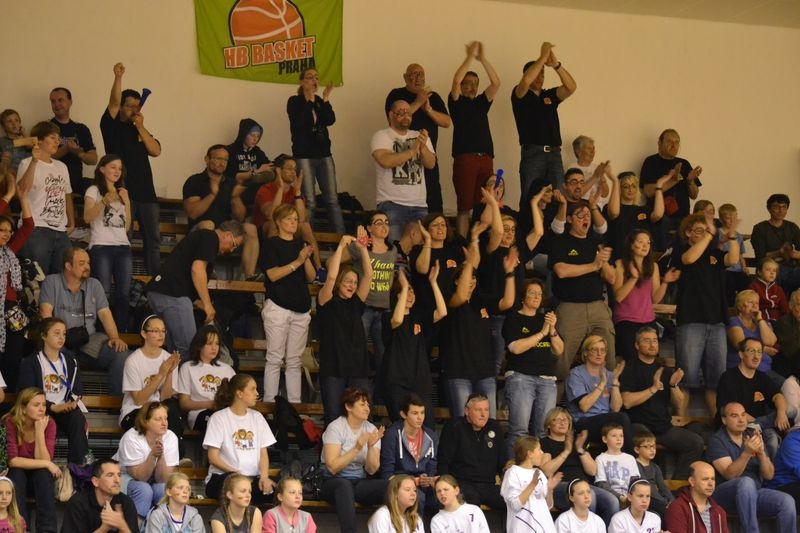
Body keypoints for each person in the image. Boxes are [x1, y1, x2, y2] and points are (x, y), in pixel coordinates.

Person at [146, 220, 245, 360]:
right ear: (227, 235)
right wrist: (207, 304)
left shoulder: (202, 237)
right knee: (189, 349)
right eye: (234, 245)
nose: (232, 250)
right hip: (173, 294)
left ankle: (174, 374)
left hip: (160, 292)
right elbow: (197, 269)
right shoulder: (211, 238)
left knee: (175, 352)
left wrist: (198, 302)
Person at [39, 247, 130, 396]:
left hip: (89, 340)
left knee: (120, 353)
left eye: (88, 263)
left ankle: (117, 402)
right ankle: (73, 403)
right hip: (62, 341)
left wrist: (115, 338)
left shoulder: (95, 284)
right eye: (81, 263)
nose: (87, 267)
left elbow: (105, 314)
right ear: (68, 266)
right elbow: (46, 313)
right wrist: (55, 339)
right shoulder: (52, 281)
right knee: (63, 356)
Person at [675, 212, 740, 417]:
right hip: (691, 321)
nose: (705, 234)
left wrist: (732, 236)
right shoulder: (682, 250)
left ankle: (717, 424)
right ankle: (679, 421)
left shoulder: (714, 253)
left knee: (716, 381)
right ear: (688, 233)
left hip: (716, 322)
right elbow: (689, 258)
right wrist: (709, 235)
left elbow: (732, 259)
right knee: (685, 379)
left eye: (706, 231)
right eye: (699, 231)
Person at [100, 62, 161, 275]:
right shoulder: (111, 125)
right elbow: (114, 102)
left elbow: (156, 150)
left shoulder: (140, 130)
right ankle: (123, 280)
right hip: (123, 192)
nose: (134, 110)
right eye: (130, 106)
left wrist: (141, 126)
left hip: (148, 195)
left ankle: (155, 280)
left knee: (153, 240)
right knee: (124, 238)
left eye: (137, 106)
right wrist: (118, 77)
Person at [619, 327, 704, 478]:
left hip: (663, 428)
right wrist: (652, 389)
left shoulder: (664, 370)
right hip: (638, 426)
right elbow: (626, 402)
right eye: (647, 341)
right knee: (645, 441)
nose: (652, 344)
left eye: (655, 341)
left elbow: (678, 404)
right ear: (637, 345)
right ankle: (643, 484)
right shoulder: (629, 368)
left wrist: (673, 385)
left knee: (695, 443)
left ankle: (676, 486)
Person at [707, 401, 797, 533]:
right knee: (746, 482)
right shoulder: (717, 440)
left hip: (754, 493)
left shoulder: (752, 434)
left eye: (743, 415)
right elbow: (729, 474)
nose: (741, 419)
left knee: (786, 501)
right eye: (734, 416)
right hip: (724, 495)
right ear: (724, 420)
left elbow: (769, 475)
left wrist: (761, 454)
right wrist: (747, 453)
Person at [549, 202, 616, 378]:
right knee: (562, 356)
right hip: (570, 308)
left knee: (608, 350)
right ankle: (558, 392)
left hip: (597, 306)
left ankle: (608, 389)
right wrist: (593, 265)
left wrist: (603, 262)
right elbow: (561, 271)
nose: (586, 218)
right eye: (580, 215)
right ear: (569, 219)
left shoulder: (596, 243)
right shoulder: (560, 241)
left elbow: (612, 278)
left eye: (588, 215)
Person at [18, 317, 90, 469]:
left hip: (64, 409)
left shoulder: (71, 361)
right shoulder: (31, 362)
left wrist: (73, 402)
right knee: (44, 420)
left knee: (77, 418)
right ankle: (44, 467)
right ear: (44, 336)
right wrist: (51, 406)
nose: (61, 337)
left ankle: (78, 468)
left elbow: (77, 389)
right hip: (41, 410)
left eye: (64, 334)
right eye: (56, 333)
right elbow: (27, 393)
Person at [260, 203, 314, 404]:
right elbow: (273, 275)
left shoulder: (301, 244)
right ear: (278, 222)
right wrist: (298, 261)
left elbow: (311, 277)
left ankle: (294, 404)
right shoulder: (271, 244)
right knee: (275, 358)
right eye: (289, 219)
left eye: (295, 219)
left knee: (294, 360)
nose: (293, 222)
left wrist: (306, 258)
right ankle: (270, 403)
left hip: (301, 306)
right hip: (278, 305)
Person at [317, 236, 373, 425]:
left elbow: (369, 275)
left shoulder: (356, 302)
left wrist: (363, 248)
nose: (352, 285)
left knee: (363, 414)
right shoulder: (326, 300)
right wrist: (341, 246)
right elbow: (331, 276)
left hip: (358, 366)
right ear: (339, 282)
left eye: (354, 282)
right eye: (348, 281)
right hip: (333, 367)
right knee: (334, 415)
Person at [182, 144, 260, 279]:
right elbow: (193, 213)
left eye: (225, 160)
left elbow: (240, 217)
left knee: (250, 228)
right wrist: (212, 195)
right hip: (200, 230)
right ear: (207, 159)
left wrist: (235, 197)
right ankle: (206, 271)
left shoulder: (231, 183)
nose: (222, 163)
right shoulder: (194, 181)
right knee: (208, 224)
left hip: (226, 231)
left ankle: (250, 276)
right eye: (218, 158)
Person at [503, 278, 564, 447]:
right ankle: (514, 464)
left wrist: (552, 330)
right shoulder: (513, 318)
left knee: (544, 431)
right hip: (521, 377)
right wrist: (542, 333)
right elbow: (515, 348)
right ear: (523, 297)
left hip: (547, 379)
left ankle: (541, 464)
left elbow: (559, 349)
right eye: (532, 293)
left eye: (539, 294)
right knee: (519, 430)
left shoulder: (545, 319)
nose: (537, 297)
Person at [448, 41, 500, 238]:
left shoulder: (481, 103)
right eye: (468, 84)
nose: (471, 87)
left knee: (485, 202)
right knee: (464, 206)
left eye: (475, 85)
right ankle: (462, 244)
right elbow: (455, 81)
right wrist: (470, 57)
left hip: (486, 158)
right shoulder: (456, 101)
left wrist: (482, 59)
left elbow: (496, 83)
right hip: (465, 158)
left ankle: (478, 243)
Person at [512, 41, 576, 197]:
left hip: (555, 154)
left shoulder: (549, 95)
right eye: (537, 73)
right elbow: (526, 81)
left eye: (542, 74)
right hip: (533, 154)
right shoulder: (520, 94)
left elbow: (571, 87)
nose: (540, 77)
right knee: (531, 197)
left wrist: (556, 65)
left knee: (558, 197)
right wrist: (542, 57)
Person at [319, 387, 388, 533]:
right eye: (362, 404)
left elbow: (371, 470)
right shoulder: (335, 427)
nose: (367, 408)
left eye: (368, 404)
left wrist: (371, 446)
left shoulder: (371, 429)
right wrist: (357, 447)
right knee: (344, 486)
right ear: (348, 407)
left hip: (358, 482)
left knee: (392, 486)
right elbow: (332, 467)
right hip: (331, 482)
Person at [382, 267, 445, 426]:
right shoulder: (388, 317)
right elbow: (397, 320)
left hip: (420, 382)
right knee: (401, 427)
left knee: (428, 427)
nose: (410, 295)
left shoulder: (419, 317)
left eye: (412, 292)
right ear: (397, 296)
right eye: (405, 292)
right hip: (397, 382)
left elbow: (442, 312)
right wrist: (404, 287)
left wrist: (433, 282)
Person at [385, 64, 451, 213]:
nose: (418, 78)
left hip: (428, 157)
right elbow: (394, 121)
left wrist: (429, 110)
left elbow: (447, 122)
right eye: (413, 75)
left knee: (433, 200)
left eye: (421, 74)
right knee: (405, 203)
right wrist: (419, 101)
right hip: (402, 158)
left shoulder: (433, 97)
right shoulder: (396, 95)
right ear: (405, 78)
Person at [287, 67, 345, 234]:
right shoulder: (294, 101)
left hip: (324, 154)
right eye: (310, 77)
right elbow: (301, 120)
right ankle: (306, 238)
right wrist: (308, 99)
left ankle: (340, 239)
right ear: (302, 81)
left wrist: (325, 98)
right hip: (304, 156)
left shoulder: (319, 101)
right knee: (310, 201)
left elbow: (330, 120)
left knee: (332, 199)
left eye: (316, 77)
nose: (314, 80)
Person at [203, 374, 277, 504]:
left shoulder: (257, 417)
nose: (257, 393)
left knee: (278, 491)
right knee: (239, 487)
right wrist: (237, 474)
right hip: (224, 477)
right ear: (240, 393)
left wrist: (264, 477)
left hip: (252, 478)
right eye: (252, 389)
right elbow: (213, 457)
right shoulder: (218, 418)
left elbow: (263, 453)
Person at [371, 99, 436, 243]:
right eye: (401, 113)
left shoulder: (419, 136)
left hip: (419, 205)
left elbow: (431, 164)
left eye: (408, 113)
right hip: (392, 204)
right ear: (391, 115)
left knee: (419, 250)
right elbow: (386, 161)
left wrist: (422, 147)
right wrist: (412, 151)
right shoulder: (381, 136)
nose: (406, 116)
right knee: (394, 249)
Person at [540, 407, 619, 524]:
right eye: (557, 420)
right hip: (560, 486)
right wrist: (566, 451)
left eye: (566, 419)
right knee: (589, 496)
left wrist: (580, 449)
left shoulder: (577, 442)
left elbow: (593, 471)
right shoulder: (544, 442)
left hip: (584, 485)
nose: (563, 422)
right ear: (548, 425)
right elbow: (546, 471)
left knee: (612, 501)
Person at [340, 213, 398, 371]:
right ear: (369, 228)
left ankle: (380, 385)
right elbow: (333, 261)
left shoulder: (393, 249)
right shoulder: (359, 247)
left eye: (386, 222)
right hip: (363, 307)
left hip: (384, 309)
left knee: (384, 353)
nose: (384, 226)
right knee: (357, 347)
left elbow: (390, 275)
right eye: (379, 223)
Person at [716, 338, 792, 458]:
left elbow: (778, 396)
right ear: (741, 354)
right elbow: (733, 412)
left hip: (759, 427)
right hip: (738, 427)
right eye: (751, 351)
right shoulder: (729, 378)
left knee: (789, 411)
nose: (756, 356)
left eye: (759, 352)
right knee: (772, 437)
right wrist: (762, 423)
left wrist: (781, 413)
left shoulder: (762, 377)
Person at [16, 120, 75, 275]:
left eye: (58, 138)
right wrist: (34, 161)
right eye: (52, 137)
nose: (57, 141)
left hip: (60, 229)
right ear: (39, 140)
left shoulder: (62, 167)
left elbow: (67, 194)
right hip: (36, 227)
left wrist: (71, 221)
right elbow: (22, 190)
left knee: (62, 277)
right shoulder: (26, 163)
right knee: (38, 277)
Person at [613, 230, 679, 361]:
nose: (645, 245)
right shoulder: (620, 264)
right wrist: (634, 278)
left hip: (648, 319)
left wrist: (665, 282)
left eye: (648, 243)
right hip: (626, 320)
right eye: (641, 242)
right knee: (630, 360)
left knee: (650, 360)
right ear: (631, 244)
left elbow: (655, 299)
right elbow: (618, 297)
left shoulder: (653, 266)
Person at [84, 153, 132, 332]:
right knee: (103, 291)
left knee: (124, 293)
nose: (117, 171)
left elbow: (126, 227)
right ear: (102, 169)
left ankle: (121, 332)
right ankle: (100, 332)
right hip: (101, 246)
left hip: (123, 247)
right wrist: (104, 201)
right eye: (113, 167)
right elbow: (87, 217)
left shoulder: (123, 192)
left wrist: (127, 203)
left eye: (120, 168)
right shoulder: (93, 190)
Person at [119, 316, 183, 450]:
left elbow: (165, 398)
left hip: (159, 409)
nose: (161, 335)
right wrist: (160, 374)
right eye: (155, 331)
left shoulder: (168, 358)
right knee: (154, 416)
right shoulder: (133, 360)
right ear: (144, 334)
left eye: (163, 331)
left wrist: (169, 372)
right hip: (135, 410)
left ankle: (178, 455)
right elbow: (138, 400)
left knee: (172, 407)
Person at [253, 155, 323, 274]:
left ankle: (319, 270)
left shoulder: (294, 191)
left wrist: (297, 193)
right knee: (275, 224)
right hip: (265, 231)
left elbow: (302, 219)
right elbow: (271, 215)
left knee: (305, 226)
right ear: (278, 170)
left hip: (289, 230)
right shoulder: (265, 189)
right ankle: (272, 266)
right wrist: (280, 189)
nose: (293, 172)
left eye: (295, 169)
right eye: (289, 168)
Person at [3, 387, 59, 532]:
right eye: (36, 405)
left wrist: (39, 431)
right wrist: (47, 463)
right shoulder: (11, 422)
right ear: (23, 409)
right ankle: (21, 528)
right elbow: (13, 461)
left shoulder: (49, 424)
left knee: (43, 473)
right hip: (18, 477)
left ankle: (47, 529)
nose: (42, 409)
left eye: (44, 405)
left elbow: (45, 460)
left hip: (39, 479)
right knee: (16, 472)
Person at [438, 393, 506, 511]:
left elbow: (503, 462)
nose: (483, 414)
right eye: (478, 410)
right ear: (467, 411)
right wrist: (446, 486)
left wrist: (507, 484)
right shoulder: (454, 427)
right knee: (471, 502)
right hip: (462, 483)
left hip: (488, 484)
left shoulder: (495, 427)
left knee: (512, 500)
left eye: (486, 410)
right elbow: (443, 461)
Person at [566, 336, 633, 453]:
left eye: (602, 350)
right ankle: (629, 460)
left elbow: (616, 408)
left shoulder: (609, 374)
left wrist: (614, 382)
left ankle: (623, 460)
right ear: (585, 353)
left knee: (630, 425)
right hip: (584, 422)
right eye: (594, 350)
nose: (599, 353)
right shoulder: (576, 374)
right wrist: (602, 383)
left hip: (606, 420)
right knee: (622, 419)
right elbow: (584, 406)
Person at [114, 401, 179, 520]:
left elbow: (162, 479)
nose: (164, 423)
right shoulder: (131, 437)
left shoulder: (171, 437)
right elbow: (140, 477)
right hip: (125, 476)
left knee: (164, 489)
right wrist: (153, 455)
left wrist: (160, 456)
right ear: (146, 421)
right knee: (144, 489)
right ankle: (136, 526)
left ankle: (161, 525)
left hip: (153, 478)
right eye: (158, 419)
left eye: (165, 418)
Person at [639, 129, 702, 249]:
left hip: (683, 216)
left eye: (677, 142)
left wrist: (689, 181)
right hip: (659, 217)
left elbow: (694, 195)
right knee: (664, 246)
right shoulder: (651, 162)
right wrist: (673, 180)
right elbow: (648, 191)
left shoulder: (684, 163)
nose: (674, 145)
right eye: (669, 141)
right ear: (659, 143)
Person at [380, 394, 439, 514]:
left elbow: (432, 467)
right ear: (403, 414)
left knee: (446, 494)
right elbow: (387, 474)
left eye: (422, 413)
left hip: (423, 485)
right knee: (418, 497)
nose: (420, 417)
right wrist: (414, 481)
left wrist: (428, 478)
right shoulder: (393, 434)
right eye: (415, 413)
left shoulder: (431, 435)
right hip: (399, 484)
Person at [0, 179, 33, 392]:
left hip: (13, 308)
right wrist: (9, 194)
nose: (6, 234)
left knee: (14, 355)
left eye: (9, 230)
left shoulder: (10, 251)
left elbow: (28, 226)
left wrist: (23, 198)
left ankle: (10, 400)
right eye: (1, 229)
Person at [176, 324, 235, 432]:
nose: (214, 348)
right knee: (215, 421)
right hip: (200, 413)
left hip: (225, 412)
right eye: (209, 343)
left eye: (217, 343)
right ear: (199, 345)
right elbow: (184, 403)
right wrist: (211, 404)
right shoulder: (187, 367)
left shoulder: (227, 369)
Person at [61, 458, 140, 533]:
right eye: (110, 475)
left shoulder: (126, 502)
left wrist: (122, 525)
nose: (117, 480)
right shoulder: (78, 503)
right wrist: (104, 528)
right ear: (95, 481)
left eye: (119, 475)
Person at [500, 436, 559, 533]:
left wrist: (550, 490)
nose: (542, 453)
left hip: (545, 528)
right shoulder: (512, 472)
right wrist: (532, 485)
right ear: (530, 453)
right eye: (539, 449)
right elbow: (515, 505)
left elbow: (548, 506)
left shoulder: (539, 473)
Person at [605, 170, 667, 260]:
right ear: (620, 189)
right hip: (620, 258)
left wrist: (659, 186)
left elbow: (658, 215)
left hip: (641, 259)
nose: (630, 189)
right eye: (626, 186)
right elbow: (614, 212)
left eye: (634, 186)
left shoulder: (644, 210)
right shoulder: (611, 208)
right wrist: (615, 182)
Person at [49, 86, 98, 195]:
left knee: (104, 187)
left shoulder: (81, 129)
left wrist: (80, 154)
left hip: (76, 182)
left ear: (70, 102)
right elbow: (42, 157)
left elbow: (93, 159)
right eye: (53, 101)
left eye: (60, 100)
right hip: (52, 183)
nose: (56, 104)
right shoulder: (46, 128)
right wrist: (66, 148)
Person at [751, 193, 800, 294]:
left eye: (784, 207)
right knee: (774, 271)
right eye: (776, 207)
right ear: (769, 209)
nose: (780, 210)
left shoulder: (792, 227)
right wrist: (779, 252)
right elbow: (760, 256)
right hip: (771, 268)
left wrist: (794, 254)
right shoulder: (760, 228)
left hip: (792, 267)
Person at [664, 461, 729, 533]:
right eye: (705, 479)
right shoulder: (678, 508)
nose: (711, 484)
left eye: (713, 479)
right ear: (692, 481)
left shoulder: (719, 511)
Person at [725, 289, 780, 373]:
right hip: (742, 370)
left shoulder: (761, 323)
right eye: (750, 302)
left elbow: (771, 342)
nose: (755, 306)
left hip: (765, 369)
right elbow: (740, 345)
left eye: (757, 303)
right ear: (740, 306)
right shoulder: (734, 321)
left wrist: (760, 320)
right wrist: (764, 349)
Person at [593, 423, 639, 506]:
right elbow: (601, 484)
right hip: (611, 498)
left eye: (621, 436)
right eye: (614, 436)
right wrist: (620, 497)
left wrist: (631, 497)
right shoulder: (600, 459)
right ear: (605, 439)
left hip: (630, 497)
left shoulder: (630, 458)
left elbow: (635, 481)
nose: (619, 439)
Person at [632, 430, 672, 519]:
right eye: (647, 447)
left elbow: (662, 486)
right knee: (663, 510)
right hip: (646, 497)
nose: (652, 450)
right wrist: (664, 502)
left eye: (653, 446)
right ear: (637, 449)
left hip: (658, 498)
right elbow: (646, 485)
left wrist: (672, 501)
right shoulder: (635, 465)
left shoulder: (655, 467)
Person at [567, 136, 611, 208]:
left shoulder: (597, 167)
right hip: (580, 206)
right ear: (578, 151)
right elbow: (576, 195)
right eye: (589, 149)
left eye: (593, 149)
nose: (592, 152)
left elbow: (605, 194)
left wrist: (602, 178)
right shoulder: (571, 167)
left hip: (598, 206)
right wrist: (595, 176)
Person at [750, 257, 789, 323]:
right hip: (761, 320)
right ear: (759, 272)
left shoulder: (779, 289)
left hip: (778, 321)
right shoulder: (753, 287)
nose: (772, 273)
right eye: (768, 270)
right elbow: (753, 308)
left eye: (774, 271)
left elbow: (785, 309)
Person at [776, 289, 800, 375]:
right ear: (790, 306)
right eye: (799, 305)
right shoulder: (784, 322)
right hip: (791, 368)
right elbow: (792, 351)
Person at [0, 109, 31, 174]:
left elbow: (32, 147)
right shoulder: (2, 142)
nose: (14, 124)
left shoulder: (25, 139)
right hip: (11, 172)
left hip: (27, 171)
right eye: (9, 121)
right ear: (3, 126)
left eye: (16, 120)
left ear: (20, 124)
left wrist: (24, 134)